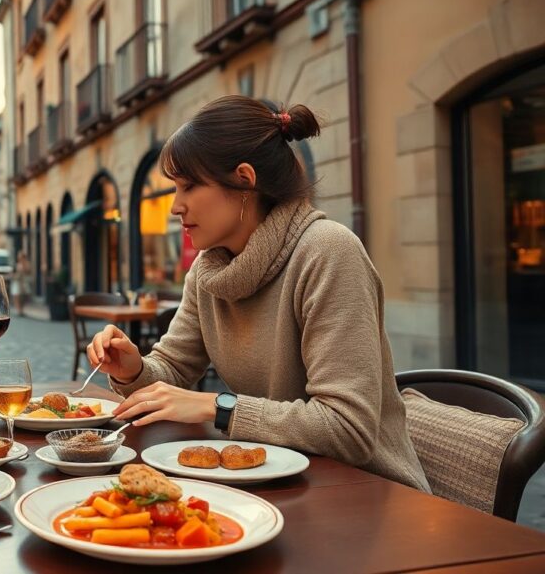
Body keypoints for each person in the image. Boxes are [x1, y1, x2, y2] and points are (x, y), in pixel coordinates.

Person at [88, 96, 430, 492]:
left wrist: (218, 407)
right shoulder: (209, 270)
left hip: (368, 493)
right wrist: (132, 370)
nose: (175, 207)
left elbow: (347, 428)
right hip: (270, 481)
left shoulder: (327, 252)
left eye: (188, 186)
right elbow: (172, 370)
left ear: (244, 180)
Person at [11, 251, 31, 316]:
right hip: (17, 282)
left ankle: (21, 309)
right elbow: (14, 273)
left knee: (23, 296)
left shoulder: (26, 264)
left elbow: (28, 272)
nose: (19, 258)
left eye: (21, 257)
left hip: (23, 282)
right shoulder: (17, 264)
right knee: (16, 296)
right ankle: (19, 310)